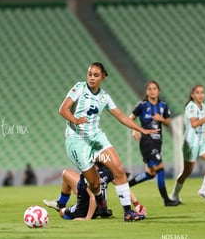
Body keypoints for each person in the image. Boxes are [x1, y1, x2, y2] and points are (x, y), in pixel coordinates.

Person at [59, 62, 158, 221]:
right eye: (90, 74)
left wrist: (141, 129)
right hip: (77, 140)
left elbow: (121, 116)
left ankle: (128, 212)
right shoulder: (79, 88)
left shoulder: (104, 97)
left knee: (118, 168)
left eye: (96, 75)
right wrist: (75, 120)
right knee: (95, 184)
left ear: (103, 77)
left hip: (96, 138)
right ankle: (100, 204)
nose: (91, 78)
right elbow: (63, 109)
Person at [128, 80, 179, 206]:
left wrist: (161, 119)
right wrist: (135, 129)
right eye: (149, 89)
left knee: (150, 173)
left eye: (154, 88)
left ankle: (126, 185)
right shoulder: (142, 105)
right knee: (160, 168)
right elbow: (130, 118)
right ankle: (166, 200)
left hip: (158, 142)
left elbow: (168, 122)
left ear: (158, 91)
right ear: (146, 92)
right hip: (146, 142)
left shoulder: (163, 106)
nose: (152, 91)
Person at [43, 163, 147, 220]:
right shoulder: (108, 171)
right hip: (102, 206)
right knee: (73, 180)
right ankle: (61, 203)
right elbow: (123, 187)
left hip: (87, 209)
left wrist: (87, 218)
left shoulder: (88, 174)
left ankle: (60, 205)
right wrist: (136, 204)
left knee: (62, 212)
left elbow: (93, 197)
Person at [170, 85, 205, 203]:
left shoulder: (203, 106)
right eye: (197, 93)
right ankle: (174, 195)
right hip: (191, 143)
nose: (200, 95)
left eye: (202, 92)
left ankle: (204, 190)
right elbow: (194, 124)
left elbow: (201, 124)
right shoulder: (190, 106)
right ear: (192, 95)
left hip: (202, 141)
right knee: (187, 171)